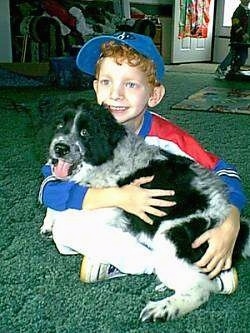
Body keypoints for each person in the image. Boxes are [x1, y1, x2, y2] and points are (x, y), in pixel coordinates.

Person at [40, 31, 246, 294]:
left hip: (162, 223)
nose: (115, 94)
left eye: (131, 84)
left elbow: (224, 171)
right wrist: (119, 197)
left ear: (154, 94)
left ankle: (191, 266)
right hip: (116, 216)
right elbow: (50, 187)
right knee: (64, 230)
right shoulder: (79, 134)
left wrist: (232, 218)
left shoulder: (170, 138)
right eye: (106, 82)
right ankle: (150, 264)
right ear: (95, 88)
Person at [215, 0, 250, 79]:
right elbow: (235, 24)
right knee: (233, 54)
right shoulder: (238, 11)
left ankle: (235, 69)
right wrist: (242, 34)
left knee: (243, 56)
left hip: (245, 40)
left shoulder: (247, 11)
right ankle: (221, 68)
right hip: (237, 38)